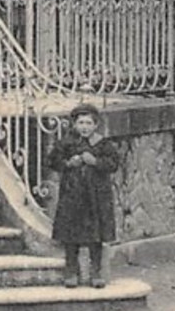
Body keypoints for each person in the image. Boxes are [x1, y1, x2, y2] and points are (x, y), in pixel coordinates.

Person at [45, 104, 121, 289]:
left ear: (95, 125)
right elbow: (53, 161)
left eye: (89, 123)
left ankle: (96, 272)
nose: (85, 127)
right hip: (73, 196)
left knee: (96, 235)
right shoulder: (66, 143)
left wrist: (95, 161)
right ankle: (72, 271)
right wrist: (69, 163)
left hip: (96, 197)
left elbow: (113, 164)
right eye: (81, 123)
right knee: (71, 235)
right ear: (74, 124)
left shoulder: (103, 144)